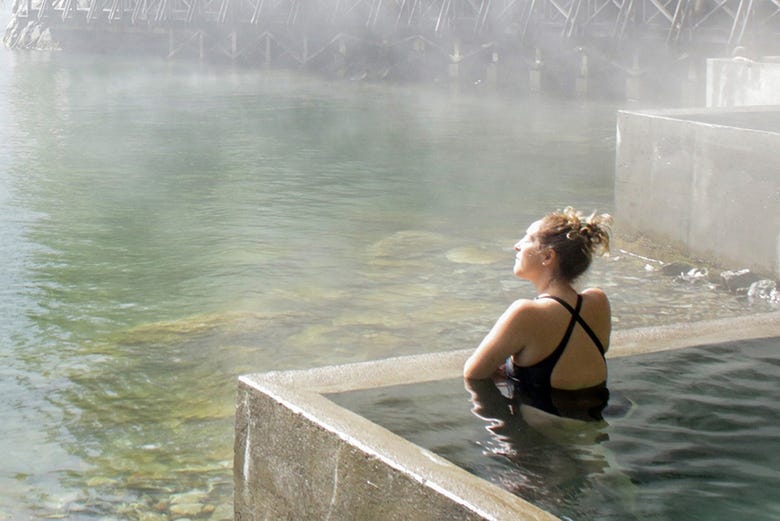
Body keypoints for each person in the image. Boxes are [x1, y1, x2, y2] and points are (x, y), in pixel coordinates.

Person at [463, 207, 613, 420]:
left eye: (528, 239)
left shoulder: (526, 313)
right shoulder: (598, 301)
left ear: (547, 256)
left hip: (549, 434)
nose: (517, 246)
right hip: (595, 423)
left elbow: (473, 374)